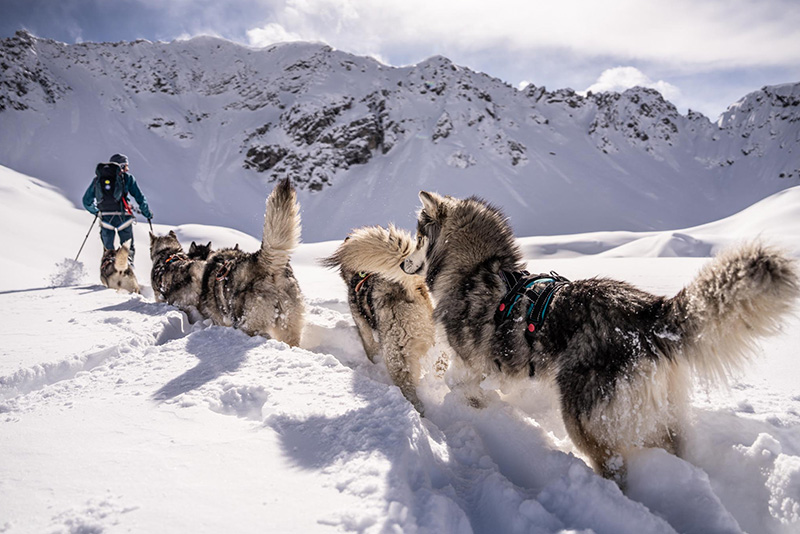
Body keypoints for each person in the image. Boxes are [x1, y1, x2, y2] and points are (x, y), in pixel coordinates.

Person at [82, 153, 153, 262]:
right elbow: (140, 197)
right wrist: (147, 213)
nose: (127, 169)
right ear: (122, 166)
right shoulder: (128, 178)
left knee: (108, 251)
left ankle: (108, 269)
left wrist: (97, 212)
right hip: (123, 216)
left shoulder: (98, 179)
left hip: (106, 217)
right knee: (127, 249)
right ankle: (128, 268)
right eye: (126, 166)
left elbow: (86, 201)